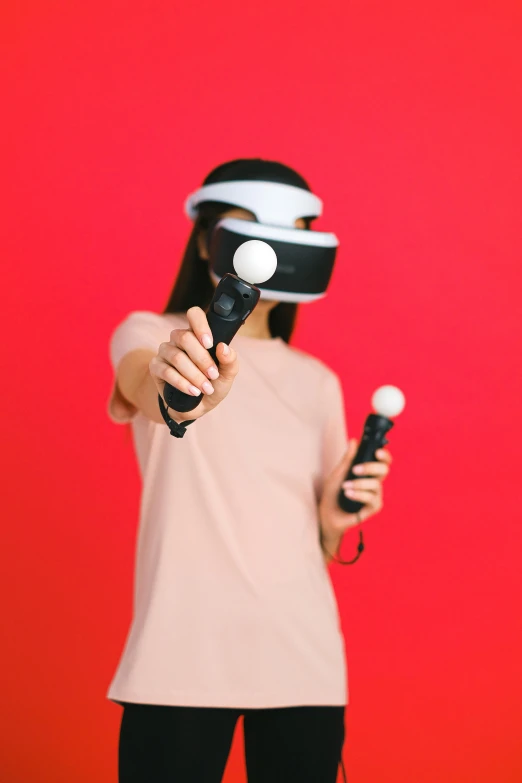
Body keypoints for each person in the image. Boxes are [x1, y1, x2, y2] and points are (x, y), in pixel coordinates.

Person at [106, 158, 392, 783]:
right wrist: (177, 383)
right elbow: (145, 384)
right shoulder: (151, 334)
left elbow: (320, 543)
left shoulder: (319, 381)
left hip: (302, 656)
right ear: (208, 239)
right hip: (179, 652)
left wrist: (334, 516)